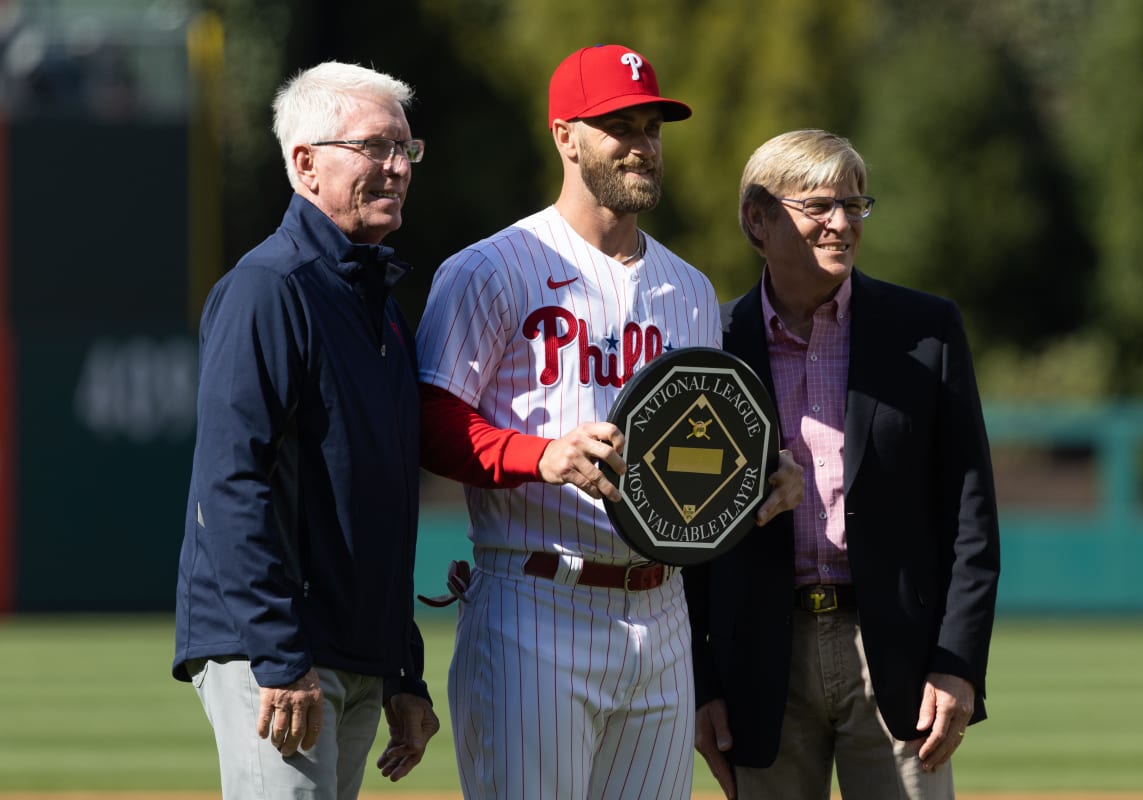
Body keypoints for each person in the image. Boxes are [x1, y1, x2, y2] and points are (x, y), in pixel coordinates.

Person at [415, 44, 801, 799]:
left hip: (662, 615)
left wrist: (761, 478)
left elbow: (706, 448)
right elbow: (428, 419)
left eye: (651, 127)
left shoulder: (688, 289)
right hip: (536, 596)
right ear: (566, 136)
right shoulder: (491, 267)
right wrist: (537, 455)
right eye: (617, 126)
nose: (641, 145)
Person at [683, 129, 1001, 800]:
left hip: (901, 663)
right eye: (821, 205)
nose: (842, 223)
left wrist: (957, 666)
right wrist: (701, 684)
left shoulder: (928, 329)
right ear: (757, 219)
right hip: (758, 667)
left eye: (856, 206)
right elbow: (686, 531)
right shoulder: (708, 342)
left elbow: (970, 516)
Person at [172, 61, 439, 799]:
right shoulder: (269, 287)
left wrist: (403, 668)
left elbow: (381, 498)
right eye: (375, 148)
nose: (396, 167)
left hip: (351, 645)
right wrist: (279, 654)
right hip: (278, 646)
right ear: (305, 162)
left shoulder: (377, 300)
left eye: (405, 150)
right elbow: (231, 483)